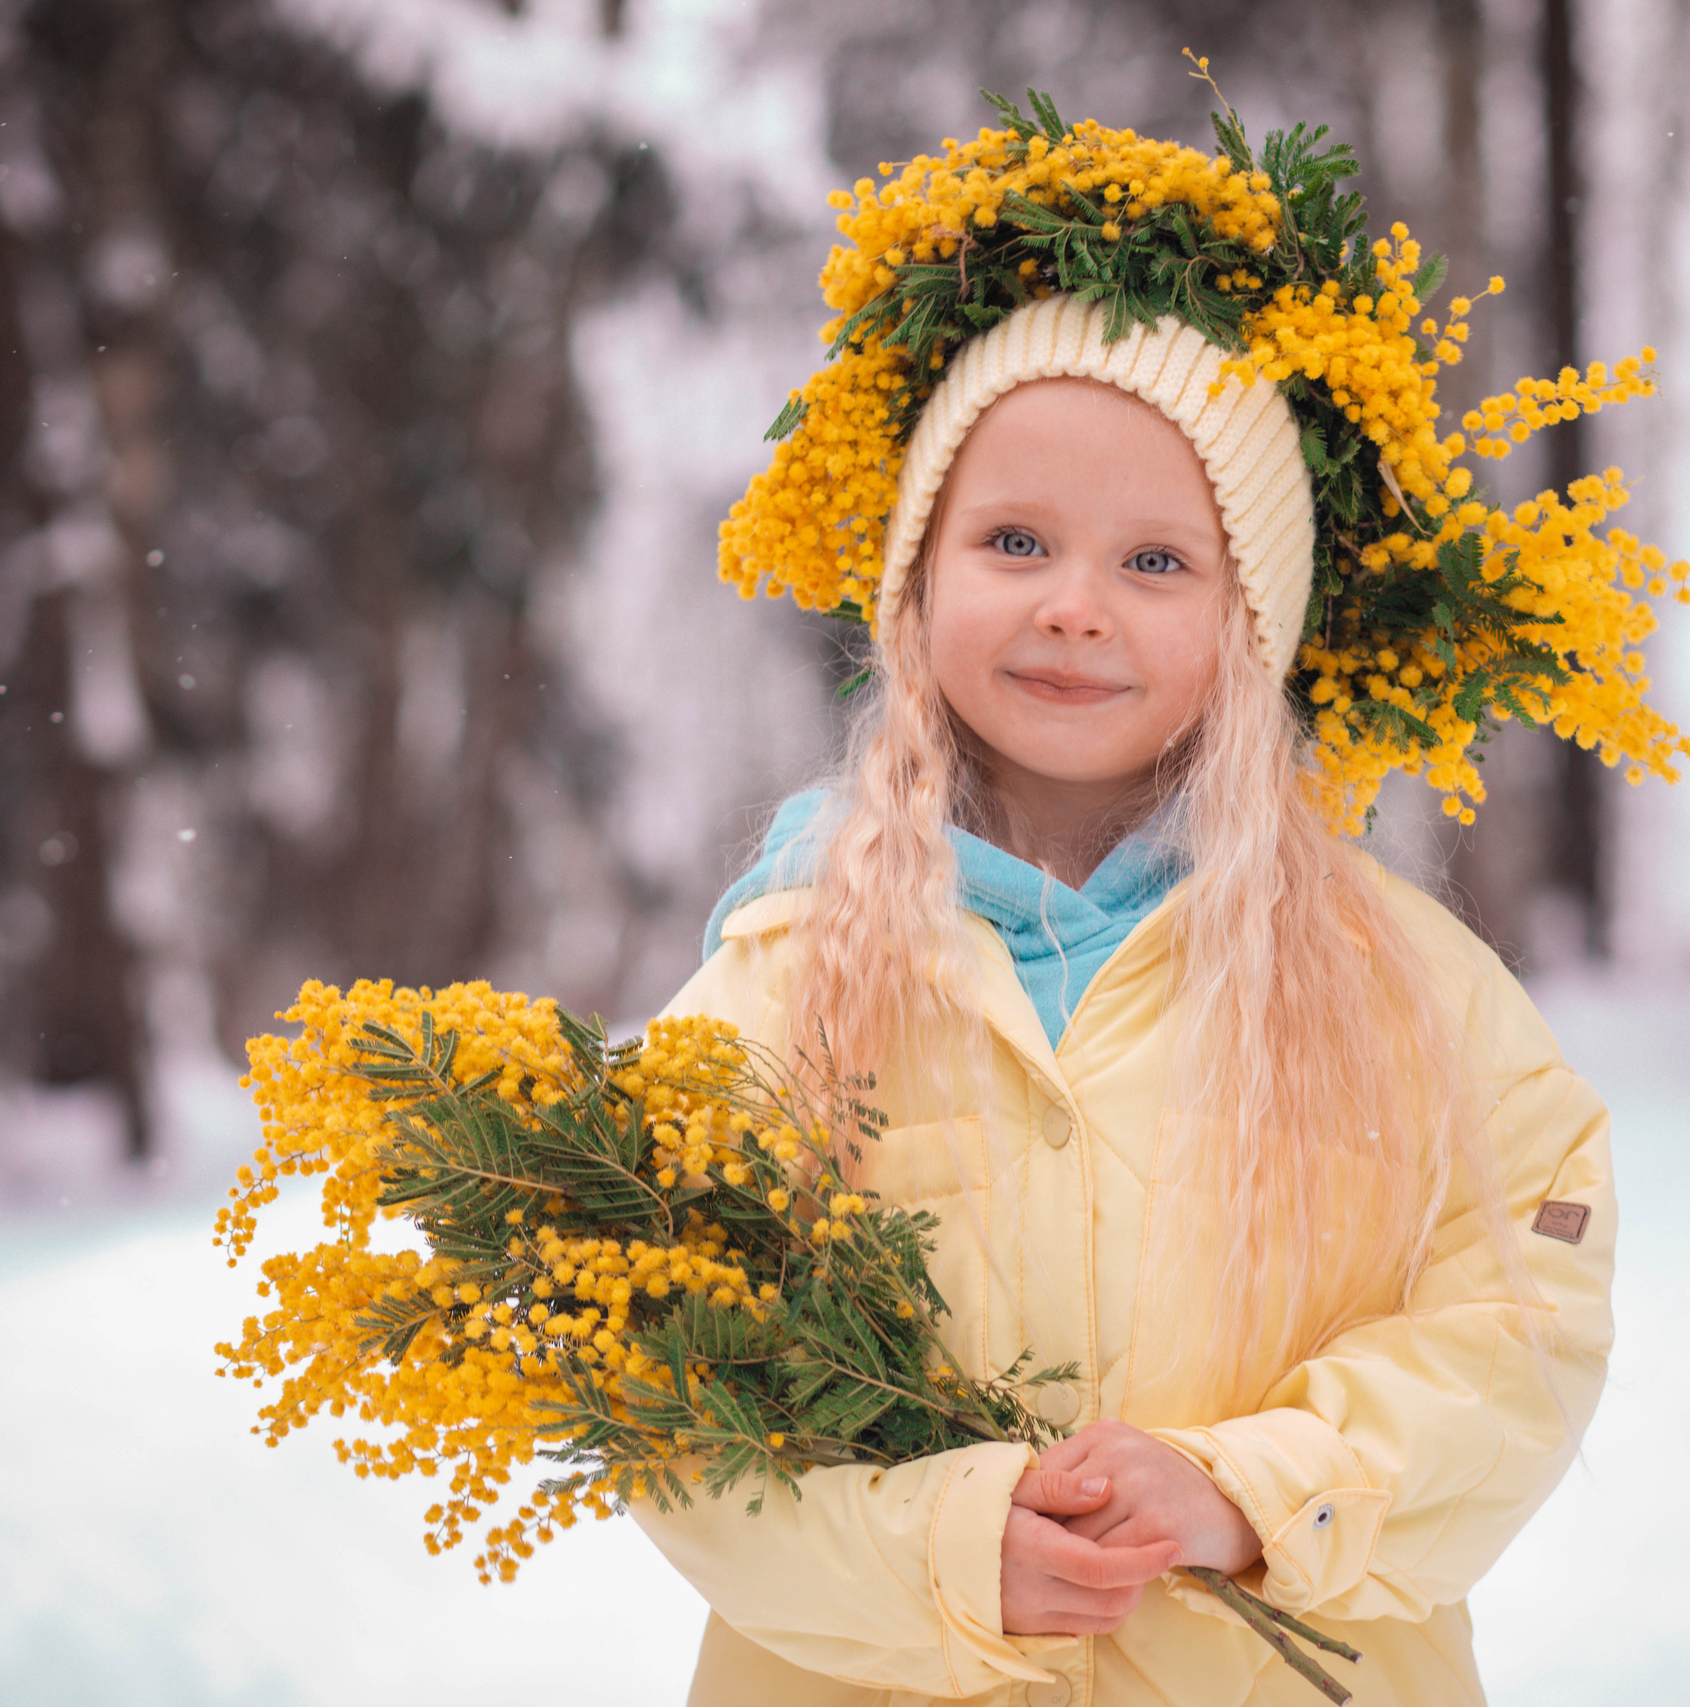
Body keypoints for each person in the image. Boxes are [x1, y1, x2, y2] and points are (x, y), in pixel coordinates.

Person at [634, 99, 1635, 1707]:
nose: (1074, 608)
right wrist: (951, 1548)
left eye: (1157, 563)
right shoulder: (780, 985)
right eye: (1014, 539)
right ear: (918, 585)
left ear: (1254, 626)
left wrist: (1253, 1494)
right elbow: (676, 1407)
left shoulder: (1398, 988)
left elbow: (1518, 1327)